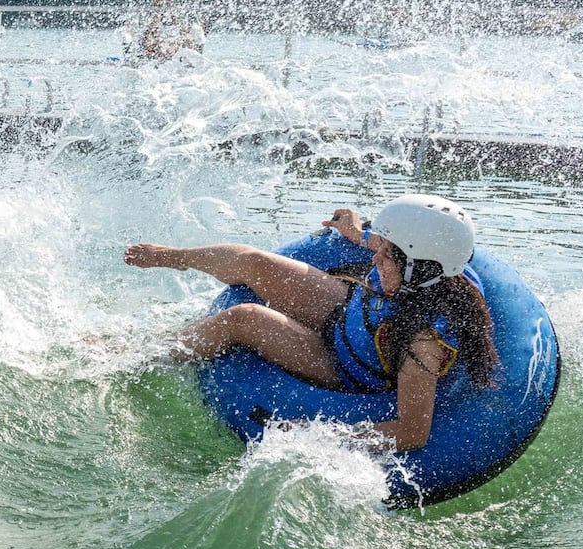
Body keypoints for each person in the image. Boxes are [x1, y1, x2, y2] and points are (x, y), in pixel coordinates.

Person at [123, 194, 499, 452]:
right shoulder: (425, 269)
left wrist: (322, 437)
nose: (376, 257)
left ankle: (139, 355)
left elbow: (412, 432)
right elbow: (380, 247)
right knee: (255, 262)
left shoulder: (423, 342)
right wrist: (355, 230)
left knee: (244, 318)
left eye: (388, 255)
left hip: (342, 366)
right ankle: (176, 256)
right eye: (380, 247)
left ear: (421, 270)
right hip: (348, 312)